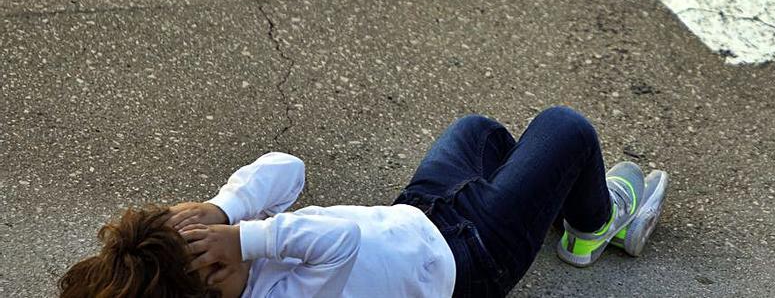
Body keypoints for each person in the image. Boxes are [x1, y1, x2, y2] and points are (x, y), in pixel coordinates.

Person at [57, 106, 669, 297]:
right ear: (212, 274)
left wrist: (224, 208)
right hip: (471, 260)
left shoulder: (225, 250)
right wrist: (247, 236)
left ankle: (543, 193)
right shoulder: (264, 275)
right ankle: (595, 225)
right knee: (566, 130)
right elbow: (346, 240)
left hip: (419, 215)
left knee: (479, 134)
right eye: (205, 245)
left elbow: (287, 170)